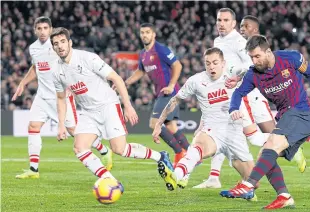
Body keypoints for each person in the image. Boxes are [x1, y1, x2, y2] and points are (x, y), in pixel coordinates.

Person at [223, 35, 310, 209]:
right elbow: (239, 93)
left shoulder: (290, 58)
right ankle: (284, 196)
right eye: (252, 57)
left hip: (301, 112)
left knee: (271, 144)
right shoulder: (253, 75)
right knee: (265, 154)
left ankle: (248, 184)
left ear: (268, 51)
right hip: (285, 117)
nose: (254, 61)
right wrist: (233, 109)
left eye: (257, 56)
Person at [193, 9, 300, 189]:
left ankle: (292, 146)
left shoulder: (239, 42)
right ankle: (215, 177)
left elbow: (251, 63)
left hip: (249, 94)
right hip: (233, 94)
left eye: (225, 20)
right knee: (223, 130)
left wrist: (233, 73)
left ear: (233, 23)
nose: (221, 23)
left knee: (264, 134)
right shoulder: (218, 41)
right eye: (219, 20)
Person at [50, 27, 174, 183]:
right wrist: (61, 124)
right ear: (53, 47)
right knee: (79, 147)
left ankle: (160, 156)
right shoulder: (56, 71)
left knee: (119, 149)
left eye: (62, 42)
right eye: (56, 44)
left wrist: (127, 106)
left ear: (70, 43)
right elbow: (61, 98)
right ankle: (109, 181)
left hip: (108, 105)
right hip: (88, 112)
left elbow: (116, 78)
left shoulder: (88, 58)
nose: (60, 46)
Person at [12, 17, 112, 179]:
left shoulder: (58, 46)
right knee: (33, 126)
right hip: (42, 96)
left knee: (74, 131)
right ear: (35, 30)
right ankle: (33, 170)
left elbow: (72, 64)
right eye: (39, 28)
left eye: (46, 28)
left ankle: (103, 149)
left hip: (60, 96)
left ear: (51, 29)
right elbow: (35, 67)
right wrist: (23, 82)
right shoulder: (33, 48)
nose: (43, 31)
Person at [152, 47, 256, 196]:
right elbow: (175, 100)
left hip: (234, 133)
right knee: (198, 147)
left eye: (215, 62)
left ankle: (246, 191)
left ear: (223, 63)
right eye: (208, 63)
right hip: (212, 129)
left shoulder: (232, 74)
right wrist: (158, 123)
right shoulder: (196, 80)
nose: (211, 66)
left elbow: (253, 69)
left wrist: (240, 77)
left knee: (254, 182)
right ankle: (176, 176)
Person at [240, 15, 310, 155]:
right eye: (240, 26)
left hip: (259, 96)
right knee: (262, 139)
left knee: (262, 139)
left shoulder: (266, 50)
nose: (241, 29)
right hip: (249, 94)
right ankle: (303, 141)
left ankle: (302, 140)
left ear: (255, 29)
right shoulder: (237, 45)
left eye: (245, 26)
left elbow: (307, 73)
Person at [124, 23, 189, 167]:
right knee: (171, 125)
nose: (145, 35)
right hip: (160, 93)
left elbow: (177, 65)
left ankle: (179, 152)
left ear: (154, 34)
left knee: (154, 123)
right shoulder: (143, 54)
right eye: (142, 32)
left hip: (169, 92)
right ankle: (191, 155)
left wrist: (171, 85)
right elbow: (141, 71)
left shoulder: (160, 49)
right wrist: (125, 83)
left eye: (148, 32)